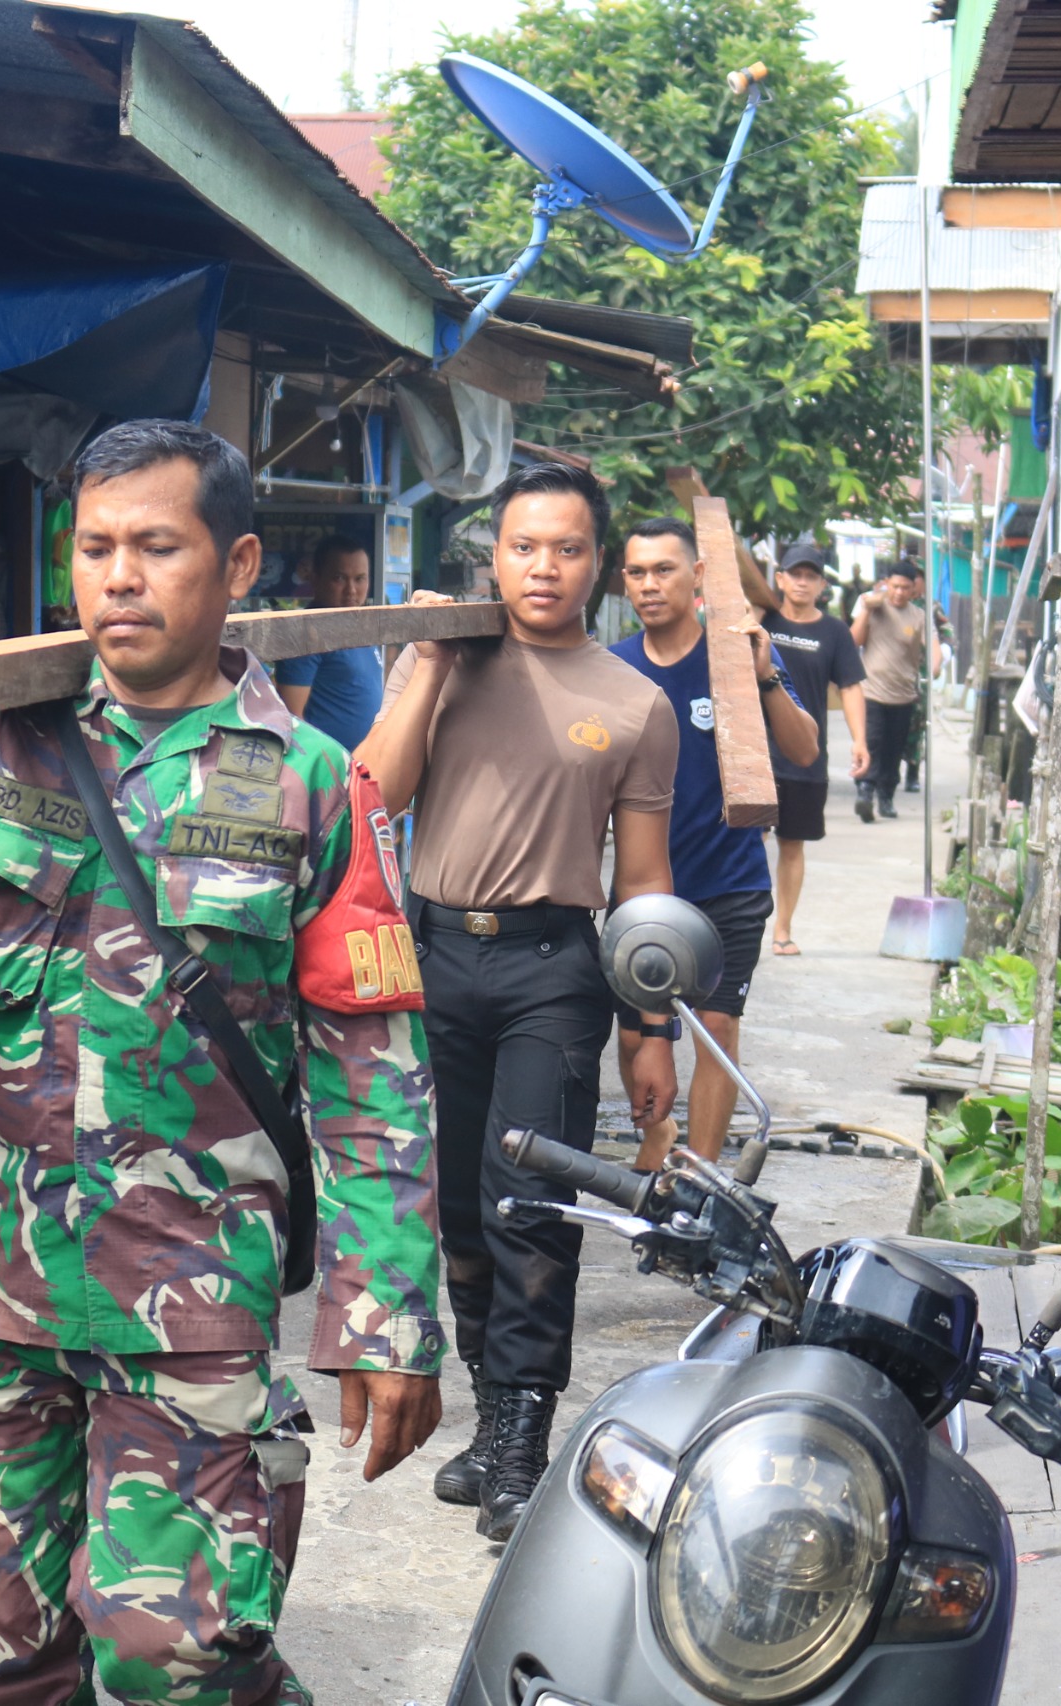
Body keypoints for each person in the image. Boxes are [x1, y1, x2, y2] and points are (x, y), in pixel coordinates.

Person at [0, 419, 443, 1706]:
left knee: (180, 1653)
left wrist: (385, 1316)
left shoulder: (309, 785)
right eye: (94, 548)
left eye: (156, 545)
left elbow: (373, 1068)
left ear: (237, 563)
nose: (119, 577)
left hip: (187, 1290)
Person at [358, 461, 679, 1542]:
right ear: (492, 555)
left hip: (555, 966)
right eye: (523, 546)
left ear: (600, 565)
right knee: (453, 1202)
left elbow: (640, 880)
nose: (543, 566)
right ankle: (491, 1414)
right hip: (432, 954)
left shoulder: (633, 703)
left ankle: (520, 1440)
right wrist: (428, 668)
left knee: (526, 1204)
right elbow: (376, 791)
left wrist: (650, 1025)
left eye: (568, 548)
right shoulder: (439, 657)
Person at [610, 520, 821, 1173]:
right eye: (638, 572)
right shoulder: (612, 668)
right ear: (624, 581)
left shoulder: (735, 660)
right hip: (643, 889)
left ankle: (700, 1172)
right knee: (633, 1033)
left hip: (730, 882)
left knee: (716, 1028)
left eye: (665, 570)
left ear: (697, 576)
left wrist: (762, 679)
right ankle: (657, 1130)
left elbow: (805, 747)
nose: (651, 584)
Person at [762, 543, 869, 956]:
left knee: (793, 844)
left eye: (811, 576)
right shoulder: (764, 620)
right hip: (759, 754)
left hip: (806, 757)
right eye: (796, 574)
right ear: (781, 578)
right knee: (752, 839)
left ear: (821, 584)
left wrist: (860, 740)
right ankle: (746, 924)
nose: (803, 582)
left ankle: (782, 931)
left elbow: (850, 687)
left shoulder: (835, 633)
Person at [271, 534, 385, 748]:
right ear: (315, 578)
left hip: (368, 767)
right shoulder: (306, 632)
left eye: (360, 579)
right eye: (340, 578)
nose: (351, 590)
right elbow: (291, 717)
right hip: (330, 773)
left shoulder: (361, 628)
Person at [852, 559, 936, 820]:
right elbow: (854, 640)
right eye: (895, 586)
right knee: (871, 742)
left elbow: (933, 646)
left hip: (903, 695)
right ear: (886, 583)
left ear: (914, 589)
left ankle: (886, 796)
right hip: (871, 691)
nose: (899, 592)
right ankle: (865, 791)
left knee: (894, 749)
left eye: (906, 588)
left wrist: (934, 669)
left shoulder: (919, 616)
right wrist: (866, 610)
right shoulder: (873, 605)